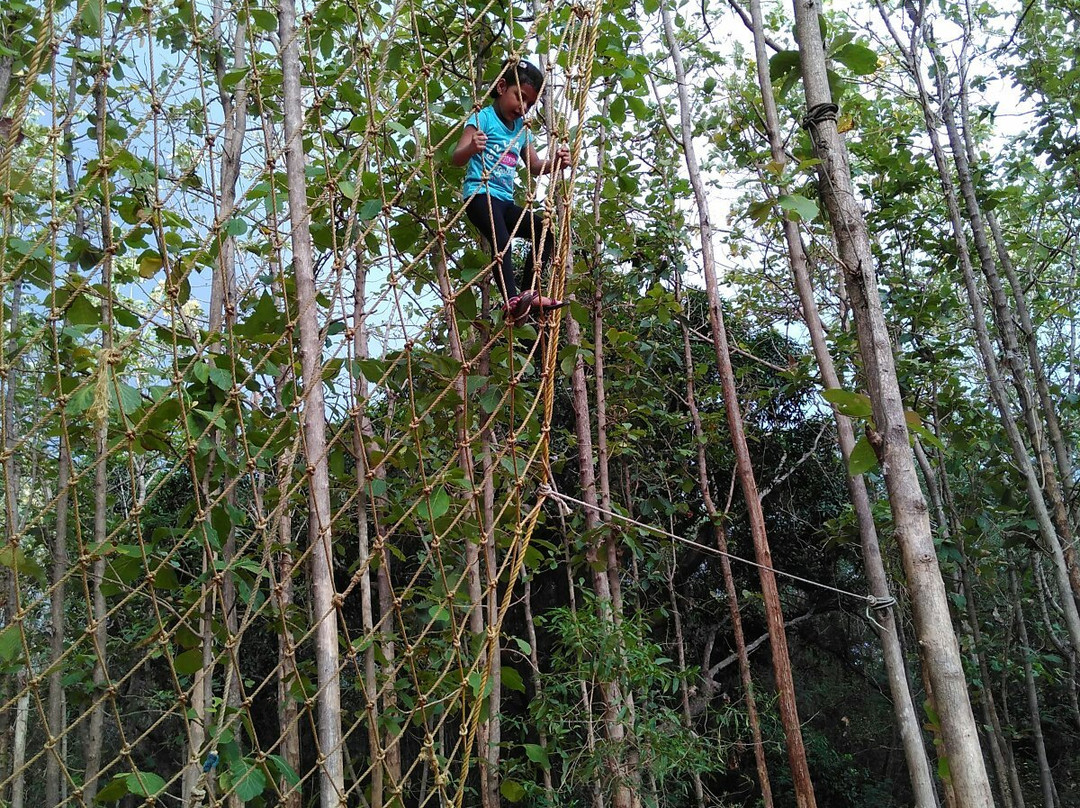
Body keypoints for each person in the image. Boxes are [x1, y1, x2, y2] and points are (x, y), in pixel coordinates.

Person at [451, 58, 570, 322]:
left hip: (504, 201)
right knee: (502, 241)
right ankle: (511, 300)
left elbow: (536, 166)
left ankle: (529, 293)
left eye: (529, 103)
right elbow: (457, 157)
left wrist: (557, 163)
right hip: (480, 196)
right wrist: (472, 148)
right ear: (502, 87)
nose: (523, 107)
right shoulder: (482, 118)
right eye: (520, 97)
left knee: (545, 232)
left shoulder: (521, 129)